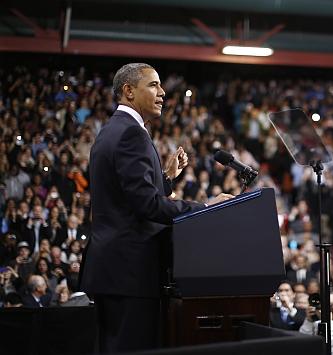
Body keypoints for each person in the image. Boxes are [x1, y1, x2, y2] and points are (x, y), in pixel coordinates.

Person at [80, 63, 232, 353]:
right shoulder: (131, 134)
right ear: (129, 91)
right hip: (129, 271)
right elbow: (147, 206)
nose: (162, 93)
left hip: (115, 269)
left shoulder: (112, 130)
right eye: (153, 85)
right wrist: (205, 207)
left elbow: (130, 197)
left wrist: (166, 178)